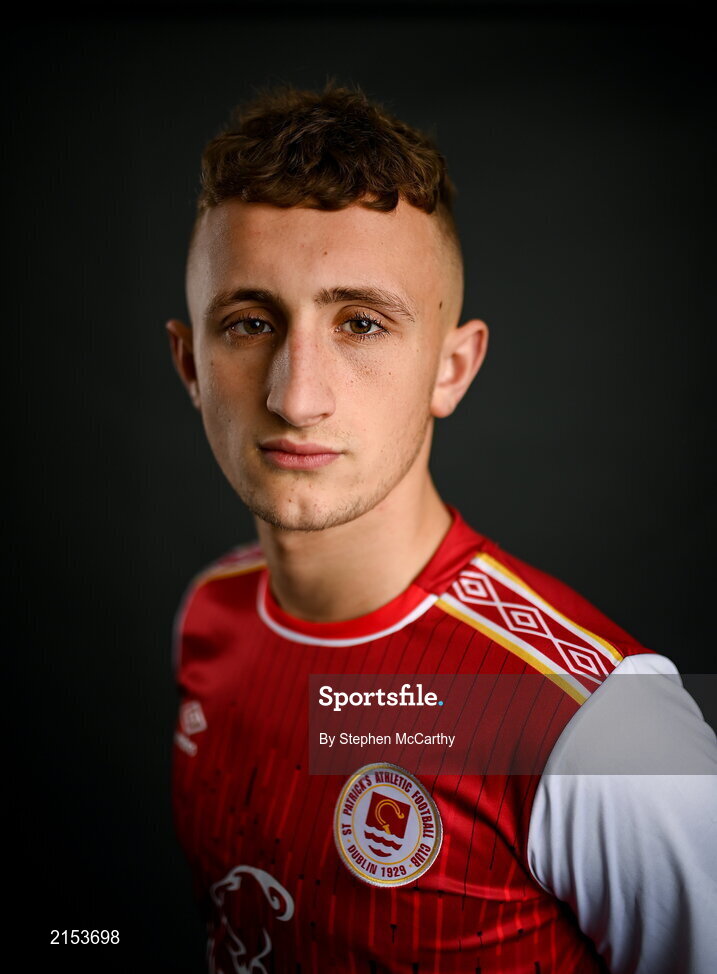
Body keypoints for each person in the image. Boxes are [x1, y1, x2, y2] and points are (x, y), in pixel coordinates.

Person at [166, 81, 716, 973]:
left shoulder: (606, 731)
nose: (294, 396)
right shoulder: (209, 612)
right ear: (190, 363)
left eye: (360, 323)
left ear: (450, 370)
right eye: (250, 322)